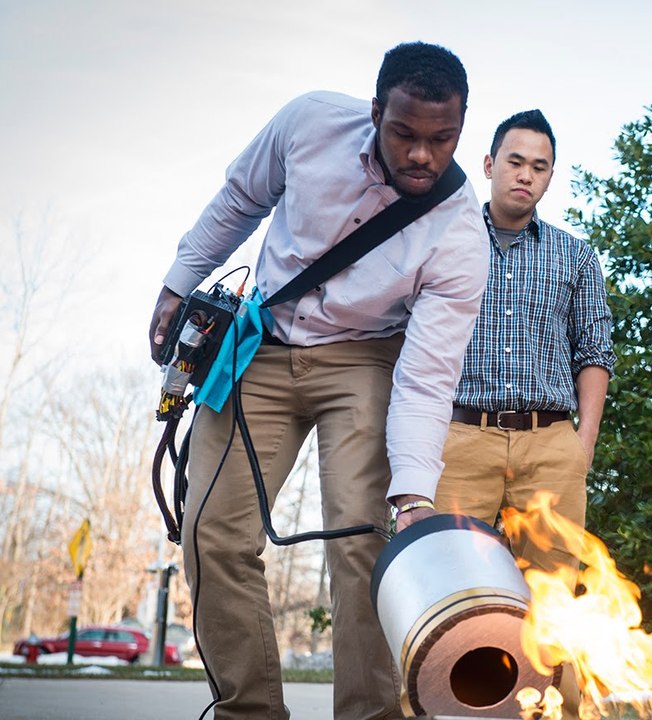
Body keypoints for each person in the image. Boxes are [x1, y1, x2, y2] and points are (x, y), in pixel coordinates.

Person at [146, 42, 488, 720]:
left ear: (462, 126)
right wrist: (176, 286)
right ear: (374, 113)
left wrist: (413, 493)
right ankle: (249, 712)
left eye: (442, 139)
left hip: (364, 362)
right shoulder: (308, 124)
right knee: (210, 533)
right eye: (405, 134)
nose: (422, 155)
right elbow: (239, 200)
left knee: (361, 544)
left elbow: (425, 379)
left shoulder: (458, 235)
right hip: (258, 348)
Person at [434, 109, 615, 575]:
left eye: (539, 167)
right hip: (459, 439)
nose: (526, 175)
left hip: (550, 444)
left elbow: (595, 349)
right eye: (516, 162)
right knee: (448, 587)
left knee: (551, 604)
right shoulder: (444, 242)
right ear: (490, 165)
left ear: (550, 177)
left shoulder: (575, 254)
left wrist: (584, 442)